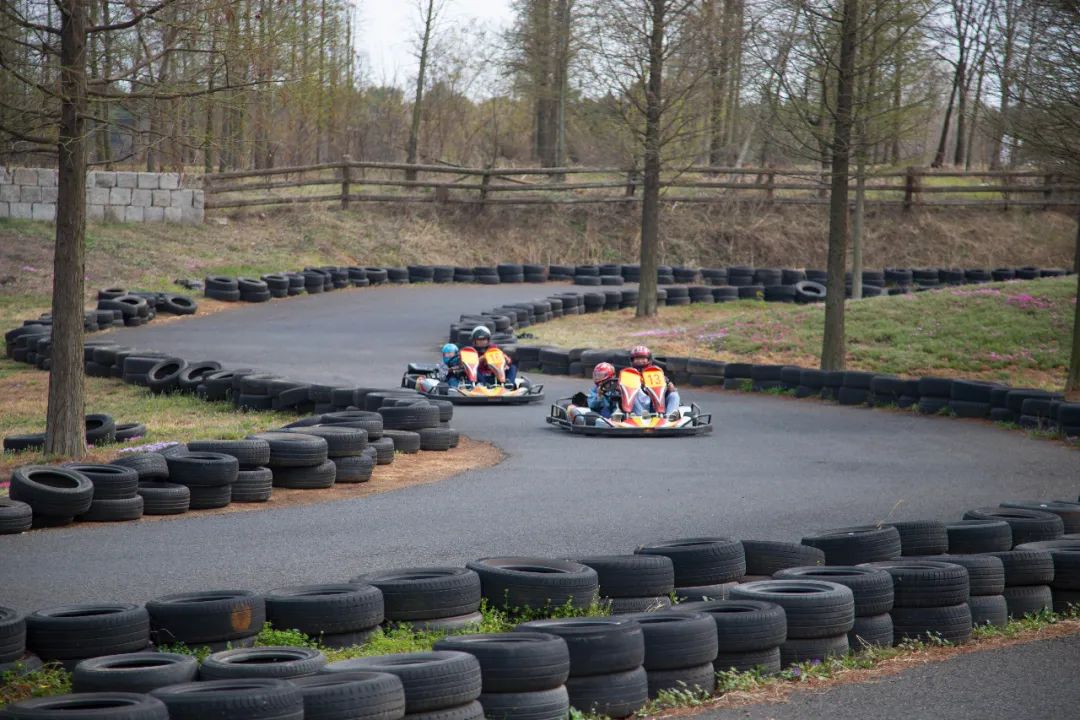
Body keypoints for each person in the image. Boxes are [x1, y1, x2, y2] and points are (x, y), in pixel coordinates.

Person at [628, 345, 682, 417]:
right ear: (632, 360)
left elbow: (671, 388)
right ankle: (642, 417)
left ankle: (670, 416)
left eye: (643, 358)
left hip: (656, 404)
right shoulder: (629, 374)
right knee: (632, 396)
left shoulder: (656, 373)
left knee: (674, 395)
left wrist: (668, 385)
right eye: (637, 358)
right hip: (639, 406)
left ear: (649, 359)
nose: (640, 361)